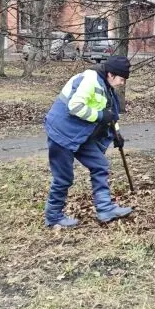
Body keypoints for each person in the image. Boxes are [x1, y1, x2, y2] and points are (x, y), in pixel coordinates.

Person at [42, 55, 133, 228]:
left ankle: (105, 209)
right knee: (63, 178)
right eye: (121, 78)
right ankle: (53, 217)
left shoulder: (106, 86)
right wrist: (100, 116)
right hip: (62, 132)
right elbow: (75, 107)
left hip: (80, 134)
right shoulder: (90, 80)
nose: (123, 83)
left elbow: (110, 114)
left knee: (100, 165)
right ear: (111, 75)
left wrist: (117, 134)